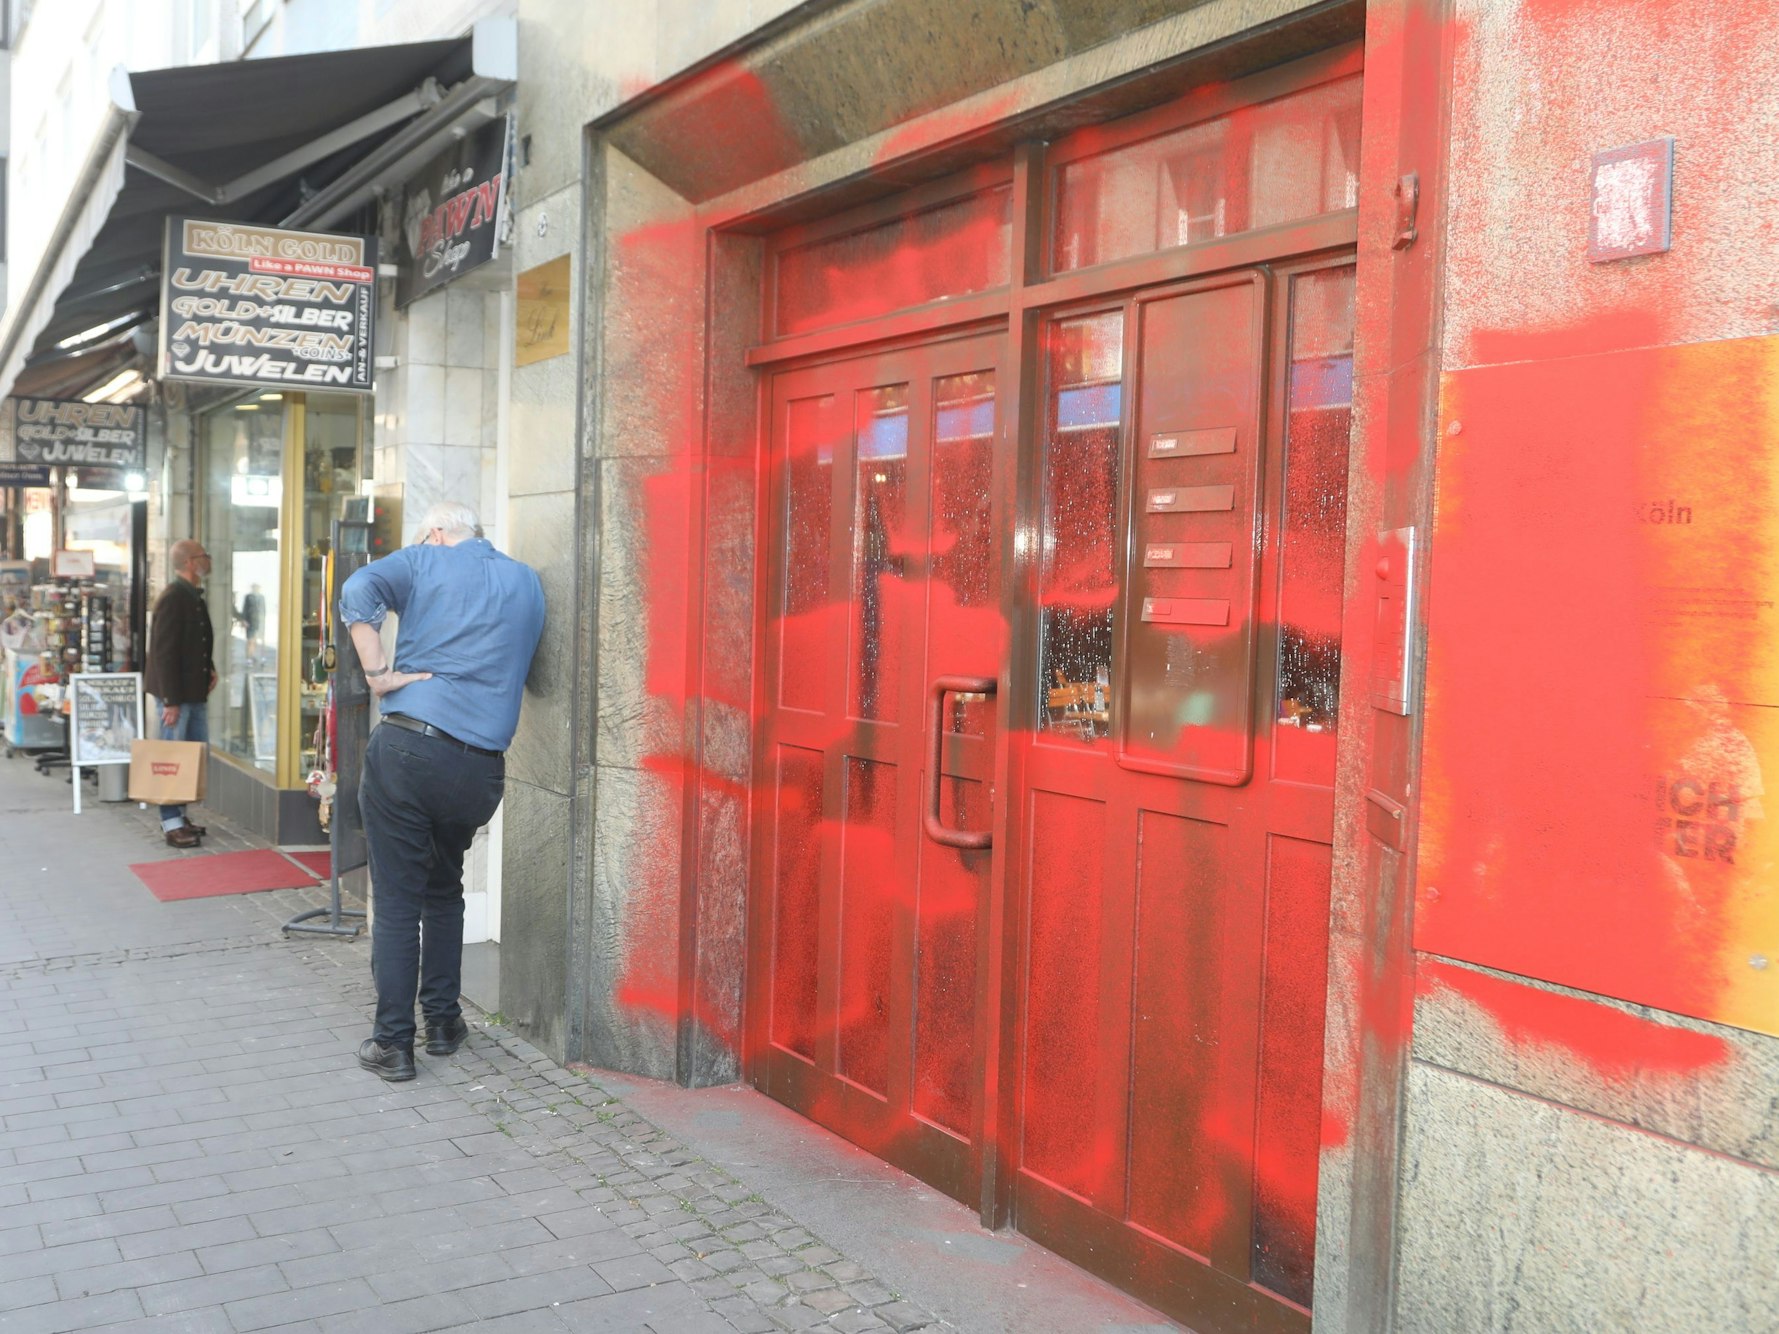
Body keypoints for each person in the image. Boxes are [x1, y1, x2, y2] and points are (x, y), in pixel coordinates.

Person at [340, 500, 544, 1082]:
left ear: (434, 533)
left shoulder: (424, 560)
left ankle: (392, 1043)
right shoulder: (526, 581)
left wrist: (379, 675)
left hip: (410, 749)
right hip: (479, 768)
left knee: (398, 900)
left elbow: (357, 588)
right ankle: (444, 1022)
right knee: (444, 888)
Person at [144, 539, 215, 849]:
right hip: (177, 697)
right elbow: (164, 653)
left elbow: (196, 641)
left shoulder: (192, 594)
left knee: (191, 758)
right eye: (203, 555)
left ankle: (181, 816)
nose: (208, 560)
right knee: (172, 759)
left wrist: (209, 668)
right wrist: (170, 701)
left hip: (193, 692)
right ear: (190, 562)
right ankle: (171, 822)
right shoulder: (174, 597)